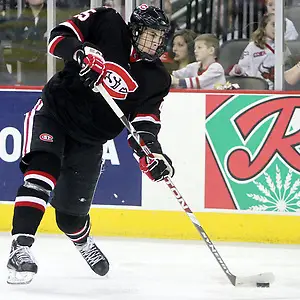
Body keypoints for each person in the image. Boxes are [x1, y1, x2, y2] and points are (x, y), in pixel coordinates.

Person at [6, 4, 174, 285]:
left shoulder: (157, 78)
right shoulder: (107, 22)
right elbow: (58, 38)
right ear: (135, 30)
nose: (156, 43)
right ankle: (20, 248)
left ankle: (82, 241)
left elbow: (144, 125)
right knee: (41, 173)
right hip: (55, 114)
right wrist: (81, 53)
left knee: (70, 219)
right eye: (150, 35)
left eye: (160, 38)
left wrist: (152, 153)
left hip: (92, 139)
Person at [229, 13, 291, 89]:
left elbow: (289, 69)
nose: (277, 28)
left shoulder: (284, 47)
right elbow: (243, 69)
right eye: (273, 25)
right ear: (264, 27)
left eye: (281, 26)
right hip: (257, 89)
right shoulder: (253, 46)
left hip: (279, 90)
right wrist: (237, 70)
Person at [4, 0, 48, 85]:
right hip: (28, 72)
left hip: (50, 71)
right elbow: (15, 47)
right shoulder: (21, 19)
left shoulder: (54, 15)